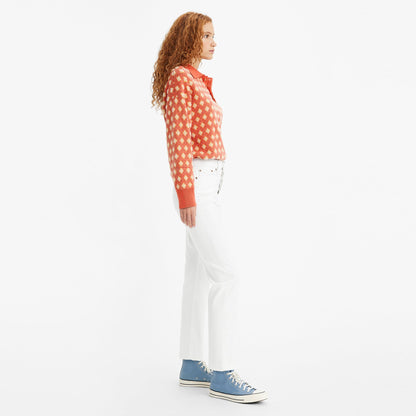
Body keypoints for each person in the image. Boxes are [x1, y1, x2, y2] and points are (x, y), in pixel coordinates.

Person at [151, 12, 267, 404]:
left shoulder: (197, 79)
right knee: (227, 275)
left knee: (199, 276)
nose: (214, 42)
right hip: (196, 187)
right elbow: (178, 139)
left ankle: (191, 363)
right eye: (206, 35)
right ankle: (222, 372)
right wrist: (187, 195)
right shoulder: (181, 78)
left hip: (209, 187)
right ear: (189, 39)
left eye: (214, 35)